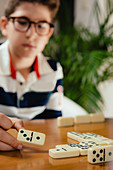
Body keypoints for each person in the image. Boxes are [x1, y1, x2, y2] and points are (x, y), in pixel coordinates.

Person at [0, 0, 63, 151]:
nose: (31, 34)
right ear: (4, 25)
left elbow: (53, 124)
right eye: (22, 22)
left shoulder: (53, 70)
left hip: (34, 153)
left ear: (49, 33)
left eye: (41, 26)